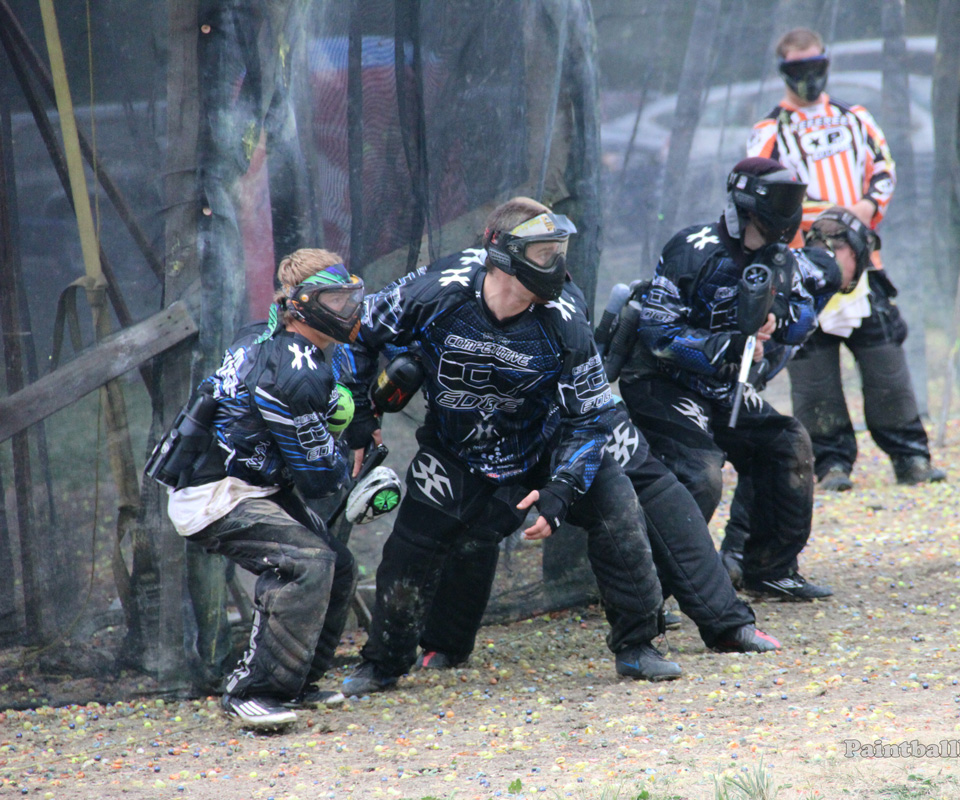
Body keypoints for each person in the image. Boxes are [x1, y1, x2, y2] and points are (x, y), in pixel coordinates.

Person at [340, 197, 681, 692]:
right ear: (502, 253)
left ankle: (637, 646)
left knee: (617, 507)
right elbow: (356, 332)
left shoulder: (565, 316)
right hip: (456, 449)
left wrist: (562, 487)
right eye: (544, 253)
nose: (556, 265)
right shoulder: (436, 290)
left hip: (545, 442)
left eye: (559, 252)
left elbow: (591, 418)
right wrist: (360, 415)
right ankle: (384, 662)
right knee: (411, 547)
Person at [403, 279, 780, 668]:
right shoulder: (456, 291)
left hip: (581, 417)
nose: (548, 263)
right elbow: (388, 336)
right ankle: (445, 643)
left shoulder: (563, 294)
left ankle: (716, 622)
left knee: (654, 490)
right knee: (480, 521)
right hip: (497, 433)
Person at [155, 249, 363, 729]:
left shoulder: (262, 333)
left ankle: (295, 683)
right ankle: (250, 691)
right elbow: (319, 479)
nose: (349, 309)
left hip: (251, 481)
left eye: (350, 297)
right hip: (217, 493)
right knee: (305, 563)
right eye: (335, 300)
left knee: (338, 564)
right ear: (301, 304)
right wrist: (347, 464)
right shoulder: (295, 370)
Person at [618, 156, 836, 601]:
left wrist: (777, 317)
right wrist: (726, 346)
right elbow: (658, 333)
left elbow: (804, 317)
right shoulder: (692, 248)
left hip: (722, 388)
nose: (787, 211)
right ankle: (648, 591)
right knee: (701, 476)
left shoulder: (782, 259)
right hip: (663, 383)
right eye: (780, 201)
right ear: (747, 205)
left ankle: (769, 568)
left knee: (786, 444)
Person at [746, 25, 946, 491]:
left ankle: (911, 457)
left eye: (816, 65)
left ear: (827, 64)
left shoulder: (855, 118)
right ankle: (831, 465)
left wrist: (863, 211)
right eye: (799, 68)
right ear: (783, 71)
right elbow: (763, 194)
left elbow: (884, 170)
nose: (809, 75)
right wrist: (828, 223)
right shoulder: (768, 132)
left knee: (885, 361)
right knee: (813, 374)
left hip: (864, 268)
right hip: (801, 272)